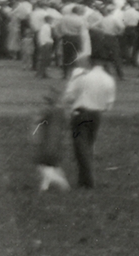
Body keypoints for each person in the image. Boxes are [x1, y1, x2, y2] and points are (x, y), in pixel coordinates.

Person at [40, 53, 117, 191]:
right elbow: (109, 105)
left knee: (81, 149)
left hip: (81, 114)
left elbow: (70, 95)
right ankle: (83, 180)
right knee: (88, 146)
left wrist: (65, 104)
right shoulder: (109, 80)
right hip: (97, 115)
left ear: (90, 62)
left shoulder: (82, 77)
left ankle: (88, 181)